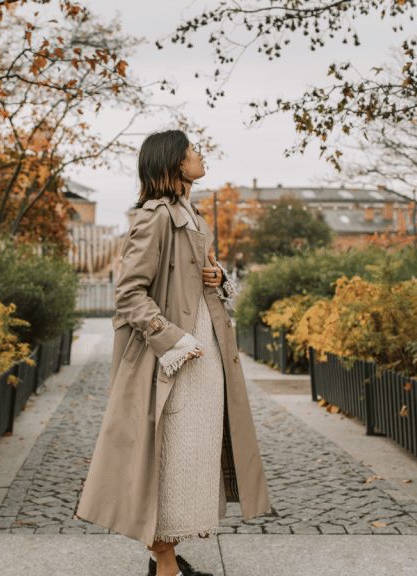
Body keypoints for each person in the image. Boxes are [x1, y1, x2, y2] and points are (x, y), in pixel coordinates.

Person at [76, 130, 271, 576]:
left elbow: (202, 283)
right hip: (175, 361)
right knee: (171, 461)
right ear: (173, 163)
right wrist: (173, 340)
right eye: (192, 151)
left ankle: (166, 557)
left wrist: (218, 276)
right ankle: (164, 562)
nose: (201, 155)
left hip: (205, 358)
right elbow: (128, 294)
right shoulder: (155, 217)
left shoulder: (193, 216)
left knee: (192, 459)